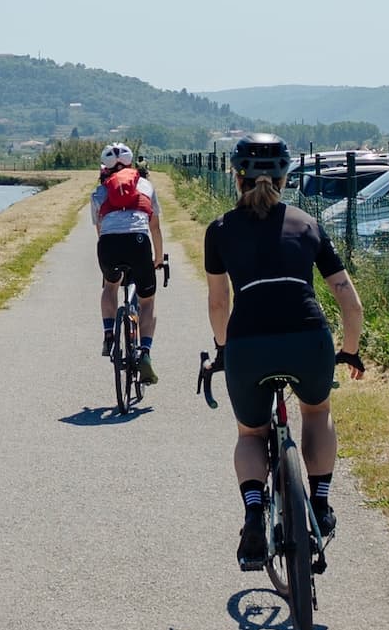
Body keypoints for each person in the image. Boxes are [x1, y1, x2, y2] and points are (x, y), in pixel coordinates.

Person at [202, 133, 366, 570]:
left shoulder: (219, 230)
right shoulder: (308, 224)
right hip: (307, 338)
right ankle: (322, 501)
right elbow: (350, 302)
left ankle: (254, 513)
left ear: (235, 177)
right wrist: (348, 352)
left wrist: (223, 350)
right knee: (316, 411)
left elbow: (219, 303)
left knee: (250, 434)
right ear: (286, 178)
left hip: (249, 343)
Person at [92, 143, 166, 383]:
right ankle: (144, 352)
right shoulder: (145, 185)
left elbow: (100, 230)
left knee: (110, 286)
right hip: (138, 240)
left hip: (108, 245)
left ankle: (108, 335)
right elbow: (154, 227)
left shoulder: (99, 191)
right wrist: (157, 258)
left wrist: (109, 262)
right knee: (147, 301)